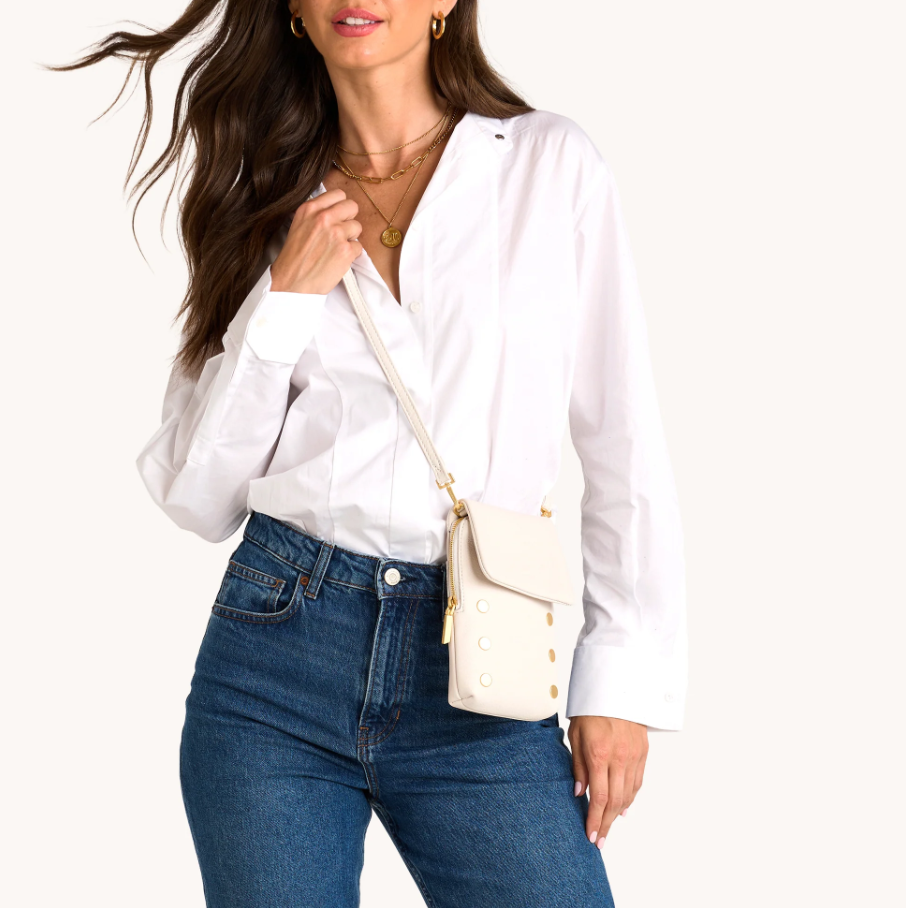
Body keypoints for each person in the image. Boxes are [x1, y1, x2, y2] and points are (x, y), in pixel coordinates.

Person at [54, 1, 687, 904]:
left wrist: (619, 677)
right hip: (275, 663)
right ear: (294, 10)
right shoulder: (261, 194)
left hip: (482, 665)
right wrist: (285, 296)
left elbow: (622, 440)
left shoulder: (547, 166)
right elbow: (199, 496)